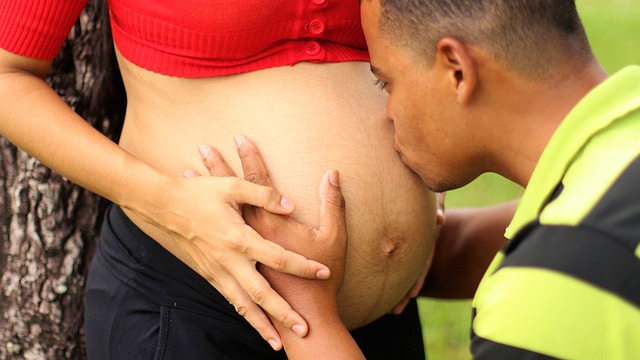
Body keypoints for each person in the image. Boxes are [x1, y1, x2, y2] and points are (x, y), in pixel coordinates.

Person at [0, 0, 439, 358]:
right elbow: (6, 77)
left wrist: (429, 165)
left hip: (377, 326)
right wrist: (168, 202)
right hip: (194, 302)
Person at [210, 0, 640, 358]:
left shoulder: (544, 294)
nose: (388, 114)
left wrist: (310, 318)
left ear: (456, 69)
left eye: (385, 83)